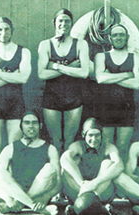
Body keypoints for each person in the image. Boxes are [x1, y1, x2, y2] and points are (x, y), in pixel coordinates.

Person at [0, 17, 31, 184]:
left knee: (13, 146)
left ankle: (12, 183)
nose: (3, 33)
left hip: (16, 104)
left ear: (12, 30)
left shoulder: (23, 52)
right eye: (0, 29)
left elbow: (23, 78)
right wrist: (12, 75)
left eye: (7, 29)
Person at [37, 8, 90, 153]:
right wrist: (71, 67)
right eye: (61, 20)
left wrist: (55, 65)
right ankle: (56, 172)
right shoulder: (45, 45)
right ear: (54, 23)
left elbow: (84, 72)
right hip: (51, 97)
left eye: (67, 21)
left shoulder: (80, 44)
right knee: (55, 139)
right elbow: (41, 74)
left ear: (71, 23)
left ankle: (66, 172)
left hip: (74, 97)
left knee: (69, 139)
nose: (64, 24)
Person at [0, 111, 60, 215]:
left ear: (40, 125)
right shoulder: (11, 148)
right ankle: (33, 206)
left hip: (39, 193)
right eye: (27, 123)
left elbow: (58, 182)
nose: (31, 126)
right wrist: (7, 198)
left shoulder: (50, 149)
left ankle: (17, 204)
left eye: (34, 123)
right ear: (21, 126)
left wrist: (45, 197)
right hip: (16, 190)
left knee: (50, 168)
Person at [94, 24, 139, 162]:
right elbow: (100, 78)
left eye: (121, 34)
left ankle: (122, 179)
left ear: (127, 37)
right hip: (106, 107)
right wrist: (127, 74)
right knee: (107, 146)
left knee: (122, 147)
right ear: (110, 38)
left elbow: (136, 83)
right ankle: (107, 179)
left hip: (126, 107)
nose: (118, 37)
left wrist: (110, 77)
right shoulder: (101, 56)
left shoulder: (135, 57)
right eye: (115, 35)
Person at [61, 117, 123, 215]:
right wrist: (82, 184)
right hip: (79, 192)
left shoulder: (109, 147)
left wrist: (94, 183)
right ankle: (100, 208)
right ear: (83, 134)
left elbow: (119, 165)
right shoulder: (77, 146)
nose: (94, 139)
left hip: (100, 193)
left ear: (102, 135)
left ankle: (78, 208)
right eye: (90, 135)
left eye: (97, 135)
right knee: (67, 168)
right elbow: (64, 159)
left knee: (108, 163)